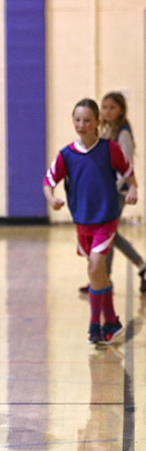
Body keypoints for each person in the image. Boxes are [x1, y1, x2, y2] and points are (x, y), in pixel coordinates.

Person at [44, 98, 138, 344]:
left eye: (87, 120)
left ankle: (94, 323)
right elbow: (49, 180)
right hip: (82, 222)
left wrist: (132, 189)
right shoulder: (66, 154)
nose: (81, 125)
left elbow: (128, 171)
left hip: (106, 219)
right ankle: (111, 321)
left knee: (96, 267)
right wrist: (51, 198)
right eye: (77, 120)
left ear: (97, 122)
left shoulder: (109, 148)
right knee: (97, 273)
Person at [97, 92, 146, 294]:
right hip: (107, 190)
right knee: (108, 233)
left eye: (112, 107)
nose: (108, 111)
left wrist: (112, 188)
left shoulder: (123, 133)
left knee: (107, 233)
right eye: (105, 107)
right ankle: (106, 278)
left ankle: (106, 278)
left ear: (121, 110)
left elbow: (126, 166)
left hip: (117, 191)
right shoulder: (108, 130)